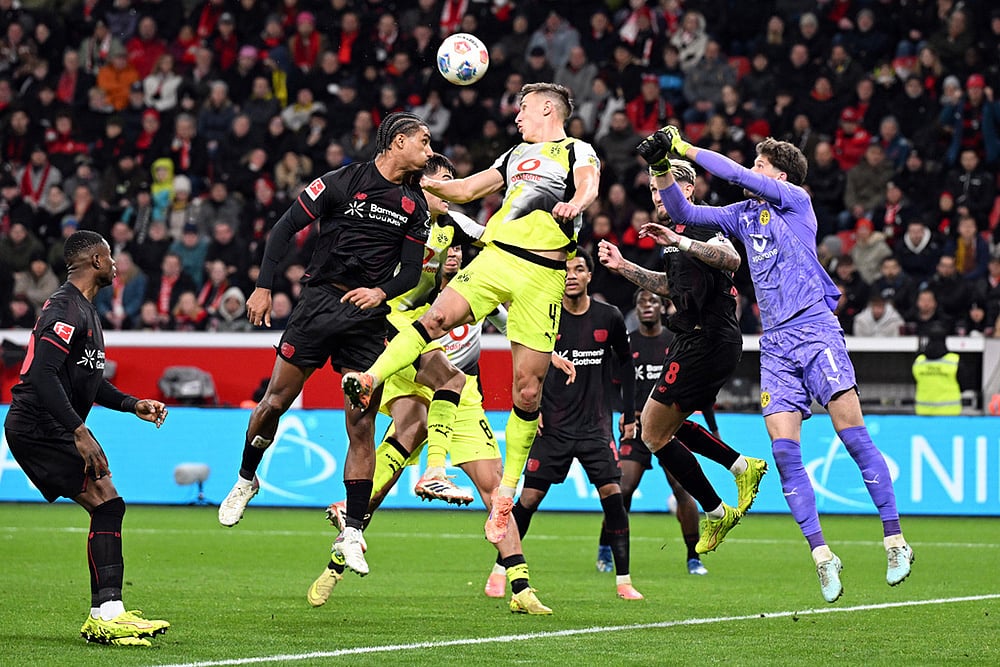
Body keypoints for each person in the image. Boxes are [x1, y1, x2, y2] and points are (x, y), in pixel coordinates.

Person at [639, 126, 914, 603]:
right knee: (786, 454)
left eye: (760, 165)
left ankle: (894, 540)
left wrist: (684, 147)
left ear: (780, 174)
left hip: (815, 329)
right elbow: (683, 211)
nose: (753, 170)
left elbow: (732, 170)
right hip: (777, 343)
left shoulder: (795, 202)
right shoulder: (742, 215)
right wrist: (662, 166)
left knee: (853, 436)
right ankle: (822, 557)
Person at [341, 83, 601, 545]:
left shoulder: (577, 150)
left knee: (527, 390)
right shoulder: (512, 156)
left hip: (544, 276)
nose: (517, 115)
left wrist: (576, 204)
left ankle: (505, 496)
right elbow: (464, 188)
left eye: (522, 107)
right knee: (436, 318)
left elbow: (588, 186)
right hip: (498, 257)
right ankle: (369, 378)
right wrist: (421, 180)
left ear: (546, 108)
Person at [216, 112, 433, 581]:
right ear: (397, 143)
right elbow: (283, 228)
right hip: (318, 304)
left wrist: (382, 293)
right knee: (275, 402)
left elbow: (412, 273)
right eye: (423, 140)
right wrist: (263, 287)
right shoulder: (341, 181)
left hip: (365, 319)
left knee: (361, 425)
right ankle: (245, 479)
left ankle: (353, 531)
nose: (429, 150)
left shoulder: (416, 206)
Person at [313, 246, 551, 616]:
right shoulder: (414, 293)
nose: (451, 254)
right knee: (412, 426)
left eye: (458, 248)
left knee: (494, 485)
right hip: (413, 374)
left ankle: (520, 586)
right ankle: (338, 560)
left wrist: (552, 356)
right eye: (445, 248)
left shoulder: (480, 294)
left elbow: (512, 327)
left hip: (464, 395)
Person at [2, 230, 169, 646]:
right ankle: (107, 613)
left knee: (108, 504)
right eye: (110, 257)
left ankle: (104, 613)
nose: (116, 265)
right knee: (107, 503)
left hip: (49, 423)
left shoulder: (86, 310)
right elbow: (41, 373)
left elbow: (86, 380)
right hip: (38, 424)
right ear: (95, 260)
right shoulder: (64, 307)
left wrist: (133, 405)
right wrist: (79, 430)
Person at [598, 159, 767, 563]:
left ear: (687, 189)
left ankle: (718, 508)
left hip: (706, 341)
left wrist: (682, 241)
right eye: (654, 190)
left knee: (653, 435)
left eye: (666, 188)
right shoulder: (676, 235)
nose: (658, 196)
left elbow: (732, 261)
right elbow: (669, 287)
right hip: (700, 340)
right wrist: (624, 267)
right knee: (665, 427)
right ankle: (742, 467)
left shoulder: (701, 225)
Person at [494, 252, 642, 600]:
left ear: (590, 276)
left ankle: (624, 581)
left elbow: (626, 366)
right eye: (566, 270)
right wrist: (533, 408)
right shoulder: (545, 315)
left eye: (579, 269)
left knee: (614, 497)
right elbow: (524, 365)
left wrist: (630, 413)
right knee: (527, 500)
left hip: (595, 428)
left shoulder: (610, 317)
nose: (572, 275)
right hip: (552, 427)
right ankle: (500, 569)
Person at [912, 324, 961, 415]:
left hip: (923, 412)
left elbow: (915, 382)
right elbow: (965, 384)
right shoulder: (954, 361)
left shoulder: (919, 362)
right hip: (950, 413)